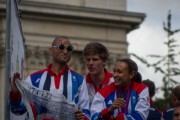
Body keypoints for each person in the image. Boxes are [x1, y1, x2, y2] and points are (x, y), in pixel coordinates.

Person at [10, 36, 90, 120]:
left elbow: (87, 113)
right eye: (61, 47)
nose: (65, 52)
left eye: (69, 48)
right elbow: (18, 110)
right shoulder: (33, 79)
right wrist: (15, 93)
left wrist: (82, 117)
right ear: (51, 51)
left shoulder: (79, 80)